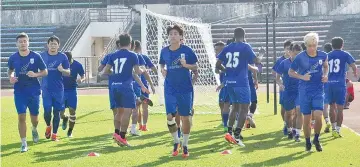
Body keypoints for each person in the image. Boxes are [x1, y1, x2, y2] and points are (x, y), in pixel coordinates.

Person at [103, 33, 149, 146]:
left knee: (119, 112)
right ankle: (122, 137)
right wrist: (143, 69)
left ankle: (116, 133)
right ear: (130, 43)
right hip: (126, 86)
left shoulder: (113, 55)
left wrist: (116, 74)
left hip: (114, 86)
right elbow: (138, 71)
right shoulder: (133, 55)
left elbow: (105, 71)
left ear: (120, 43)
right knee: (127, 111)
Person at [159, 25, 198, 158]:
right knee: (170, 116)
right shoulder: (164, 51)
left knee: (185, 117)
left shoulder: (187, 50)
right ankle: (176, 142)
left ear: (181, 36)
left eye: (176, 33)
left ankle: (185, 145)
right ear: (168, 36)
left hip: (185, 88)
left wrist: (186, 65)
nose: (173, 35)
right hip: (170, 88)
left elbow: (196, 67)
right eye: (171, 33)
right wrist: (162, 69)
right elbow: (161, 63)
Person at [7, 32, 48, 152]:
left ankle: (34, 129)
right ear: (17, 44)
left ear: (28, 42)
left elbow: (45, 71)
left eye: (25, 41)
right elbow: (10, 71)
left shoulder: (36, 56)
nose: (23, 43)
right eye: (20, 42)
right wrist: (11, 77)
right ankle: (24, 143)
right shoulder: (13, 57)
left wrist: (36, 74)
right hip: (19, 91)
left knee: (34, 118)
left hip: (34, 91)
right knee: (21, 117)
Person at [216, 27, 256, 147]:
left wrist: (228, 71)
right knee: (244, 108)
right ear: (243, 36)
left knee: (234, 107)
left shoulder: (227, 47)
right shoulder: (245, 46)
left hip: (229, 82)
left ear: (234, 36)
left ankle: (229, 132)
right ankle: (237, 136)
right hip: (241, 82)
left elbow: (218, 65)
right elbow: (255, 60)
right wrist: (262, 54)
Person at [289, 32, 328, 152]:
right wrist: (302, 77)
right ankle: (307, 142)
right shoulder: (300, 57)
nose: (312, 48)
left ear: (317, 44)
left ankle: (316, 138)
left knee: (318, 115)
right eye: (309, 45)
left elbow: (326, 66)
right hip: (304, 91)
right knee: (306, 119)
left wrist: (326, 75)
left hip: (318, 90)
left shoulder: (323, 55)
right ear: (305, 45)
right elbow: (291, 72)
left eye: (314, 45)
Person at [40, 35, 70, 141]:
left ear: (58, 45)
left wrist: (62, 70)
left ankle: (54, 134)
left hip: (58, 89)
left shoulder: (63, 57)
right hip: (46, 88)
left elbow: (68, 72)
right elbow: (37, 69)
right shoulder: (42, 56)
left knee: (56, 112)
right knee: (47, 111)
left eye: (55, 44)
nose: (53, 45)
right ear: (48, 45)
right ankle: (48, 125)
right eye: (51, 43)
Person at [326, 37, 357, 138]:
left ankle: (333, 128)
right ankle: (338, 130)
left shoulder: (327, 55)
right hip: (340, 84)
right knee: (340, 108)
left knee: (331, 106)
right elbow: (353, 66)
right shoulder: (345, 54)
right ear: (342, 45)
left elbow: (322, 68)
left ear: (332, 45)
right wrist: (355, 73)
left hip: (329, 84)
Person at [276, 43, 302, 141]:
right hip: (288, 91)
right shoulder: (284, 63)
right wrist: (280, 84)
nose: (297, 56)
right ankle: (289, 129)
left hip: (299, 91)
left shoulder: (303, 63)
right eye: (295, 54)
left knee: (299, 111)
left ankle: (297, 133)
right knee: (288, 113)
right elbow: (277, 77)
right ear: (290, 52)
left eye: (299, 54)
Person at [133, 40, 156, 132]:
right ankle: (144, 126)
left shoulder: (131, 57)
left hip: (134, 84)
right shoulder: (143, 57)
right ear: (139, 48)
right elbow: (150, 69)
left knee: (135, 107)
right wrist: (152, 84)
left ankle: (139, 125)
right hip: (144, 84)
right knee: (145, 107)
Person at [61, 52, 85, 137]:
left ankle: (70, 131)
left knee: (72, 111)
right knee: (61, 112)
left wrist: (81, 80)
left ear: (71, 59)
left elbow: (83, 75)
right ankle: (64, 118)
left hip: (72, 90)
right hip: (61, 90)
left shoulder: (77, 65)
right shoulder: (61, 64)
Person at [272, 39, 293, 135]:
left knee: (295, 109)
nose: (289, 51)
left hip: (295, 88)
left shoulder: (296, 59)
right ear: (284, 49)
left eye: (290, 49)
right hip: (285, 88)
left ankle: (291, 127)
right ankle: (285, 123)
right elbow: (274, 73)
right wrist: (280, 83)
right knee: (284, 108)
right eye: (287, 49)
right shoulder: (280, 60)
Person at [214, 41, 229, 133]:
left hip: (227, 84)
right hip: (223, 85)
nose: (216, 52)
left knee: (227, 104)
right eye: (216, 50)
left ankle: (227, 125)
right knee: (221, 104)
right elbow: (218, 71)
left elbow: (229, 73)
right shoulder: (219, 60)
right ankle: (224, 121)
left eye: (218, 50)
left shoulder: (227, 59)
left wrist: (222, 84)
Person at [322, 43, 333, 133]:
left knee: (325, 106)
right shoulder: (338, 56)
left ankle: (327, 121)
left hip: (325, 84)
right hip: (335, 84)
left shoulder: (324, 58)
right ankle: (335, 127)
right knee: (334, 106)